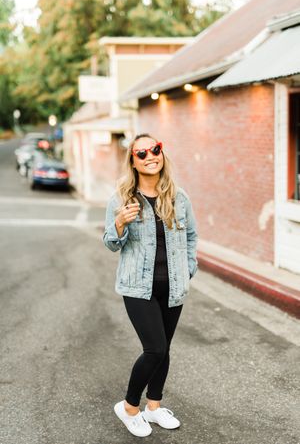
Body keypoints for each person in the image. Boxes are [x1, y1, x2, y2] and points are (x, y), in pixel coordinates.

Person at [103, 133, 198, 437]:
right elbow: (111, 243)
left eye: (155, 150)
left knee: (165, 348)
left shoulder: (178, 197)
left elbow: (192, 237)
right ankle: (129, 407)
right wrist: (120, 224)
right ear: (133, 161)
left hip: (173, 287)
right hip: (137, 287)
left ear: (162, 153)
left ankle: (153, 408)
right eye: (141, 153)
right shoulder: (121, 198)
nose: (150, 157)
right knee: (154, 348)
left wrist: (188, 268)